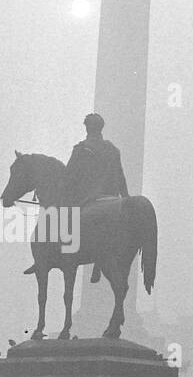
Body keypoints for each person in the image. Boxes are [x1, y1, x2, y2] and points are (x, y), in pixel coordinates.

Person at [23, 114, 129, 275]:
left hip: (87, 197)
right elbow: (120, 176)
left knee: (54, 214)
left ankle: (45, 256)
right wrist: (126, 197)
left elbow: (69, 176)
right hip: (112, 196)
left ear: (87, 128)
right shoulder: (113, 149)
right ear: (101, 128)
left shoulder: (81, 149)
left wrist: (58, 188)